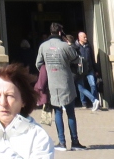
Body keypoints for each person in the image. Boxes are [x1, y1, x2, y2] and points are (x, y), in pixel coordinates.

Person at [36, 23, 84, 151]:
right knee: (70, 113)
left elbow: (38, 63)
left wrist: (49, 70)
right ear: (59, 32)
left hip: (52, 83)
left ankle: (62, 142)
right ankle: (75, 142)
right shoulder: (65, 46)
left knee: (57, 112)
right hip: (66, 82)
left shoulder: (43, 46)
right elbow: (76, 59)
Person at [74, 32, 99, 111]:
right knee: (81, 86)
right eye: (84, 37)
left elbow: (92, 58)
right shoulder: (76, 47)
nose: (86, 38)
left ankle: (94, 101)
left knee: (93, 85)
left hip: (89, 69)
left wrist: (96, 69)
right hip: (80, 70)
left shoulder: (88, 46)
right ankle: (84, 102)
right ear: (79, 38)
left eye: (86, 37)